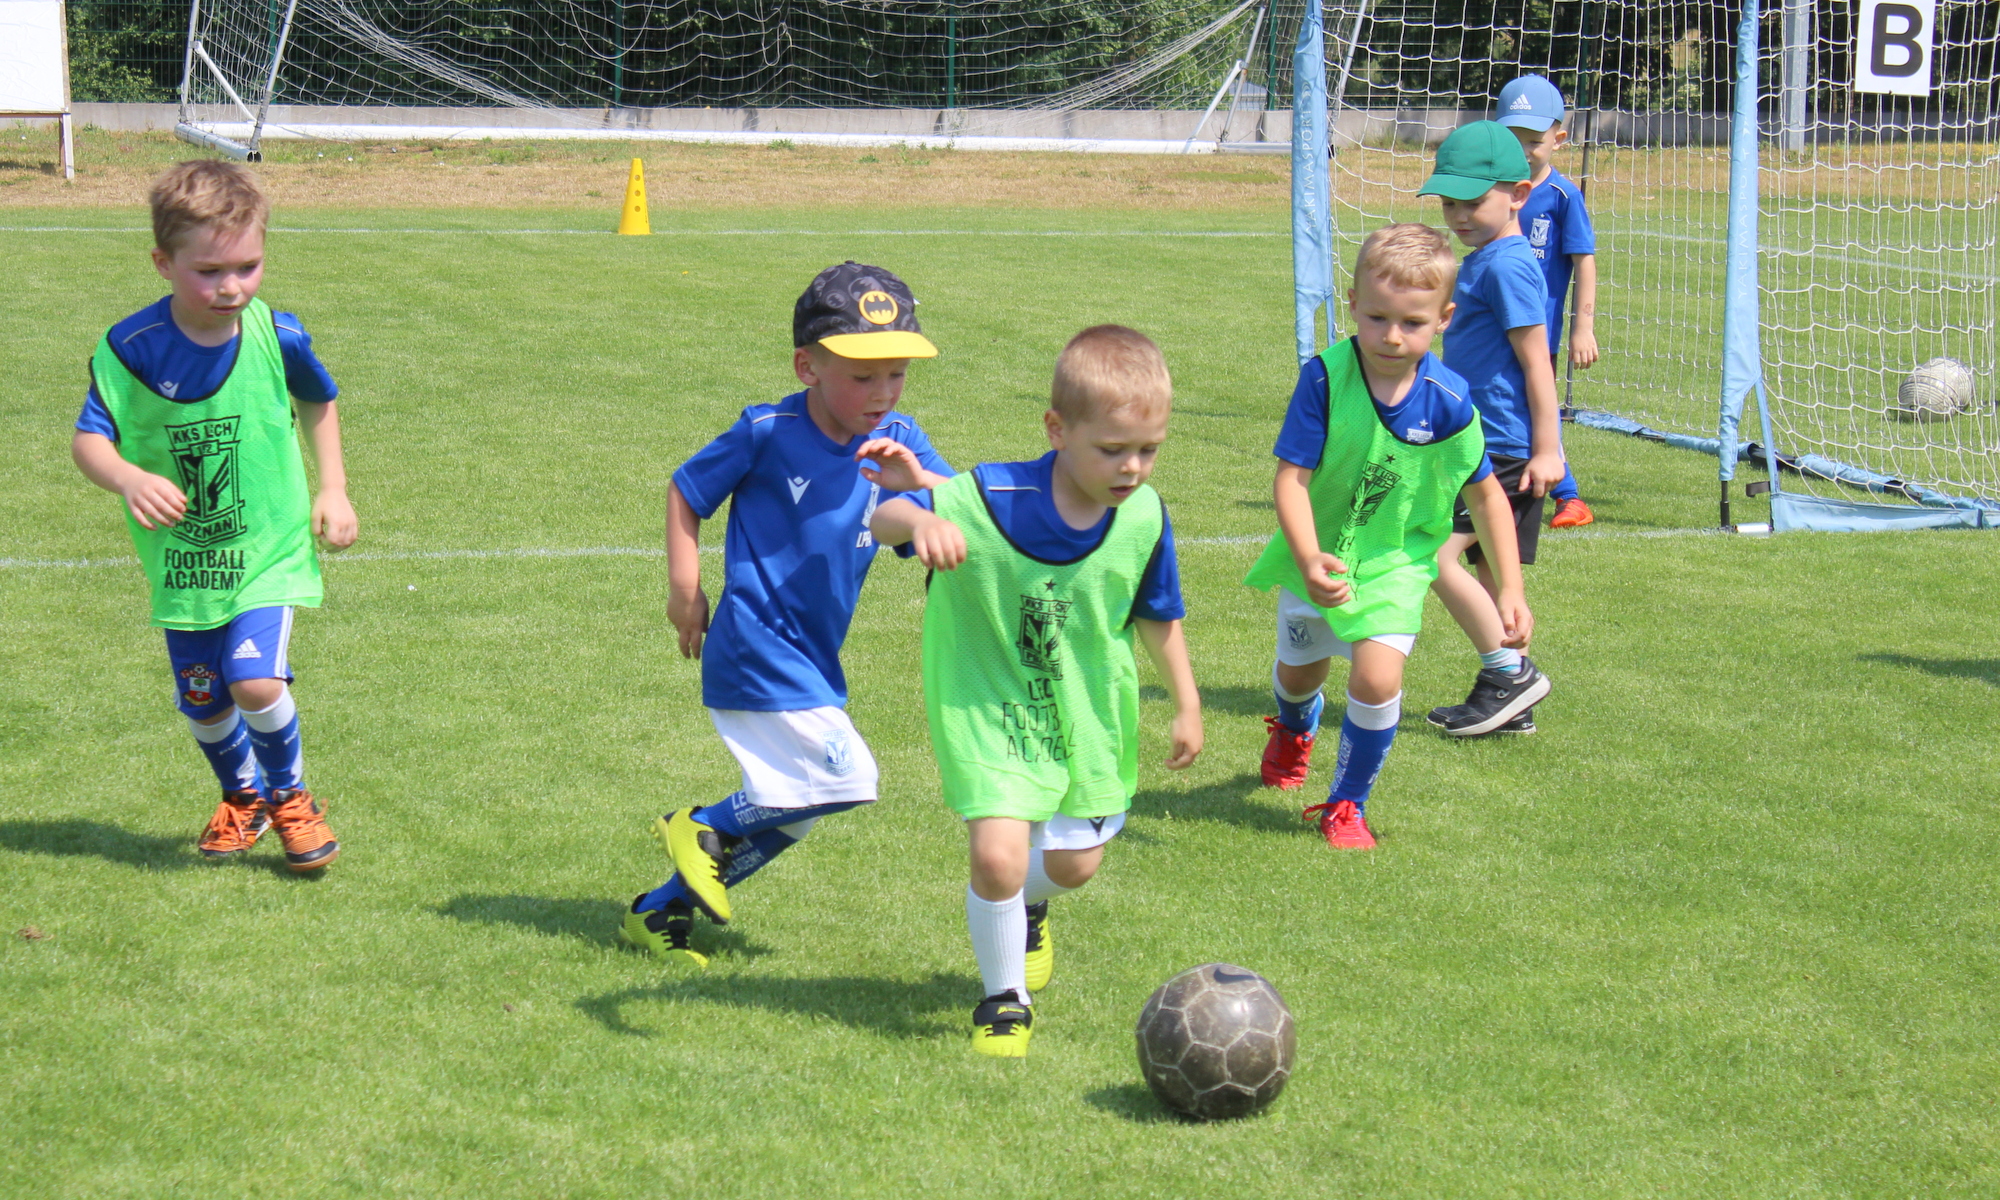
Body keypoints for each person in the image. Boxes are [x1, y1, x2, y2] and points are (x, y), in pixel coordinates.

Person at [870, 325, 1201, 1057]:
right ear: (1057, 430)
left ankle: (1027, 909)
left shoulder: (1144, 516)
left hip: (1086, 714)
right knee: (997, 857)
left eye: (1149, 450)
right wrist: (918, 516)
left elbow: (1156, 613)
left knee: (1075, 865)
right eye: (1112, 450)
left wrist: (1186, 702)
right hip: (988, 706)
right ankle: (1003, 1000)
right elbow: (882, 517)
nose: (1132, 468)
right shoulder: (993, 497)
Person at [620, 262, 952, 967]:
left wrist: (922, 492)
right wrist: (684, 590)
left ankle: (659, 911)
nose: (882, 392)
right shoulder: (768, 431)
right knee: (847, 780)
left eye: (896, 374)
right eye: (862, 375)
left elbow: (961, 512)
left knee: (797, 811)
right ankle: (703, 825)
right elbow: (686, 491)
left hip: (814, 656)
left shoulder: (902, 438)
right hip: (756, 641)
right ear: (808, 367)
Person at [70, 160, 353, 872]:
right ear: (163, 263)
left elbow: (318, 399)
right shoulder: (130, 348)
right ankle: (242, 796)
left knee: (254, 681)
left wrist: (333, 489)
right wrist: (129, 477)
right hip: (186, 562)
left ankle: (290, 798)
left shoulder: (276, 334)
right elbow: (89, 441)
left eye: (248, 267)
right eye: (209, 272)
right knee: (203, 700)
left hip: (267, 547)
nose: (232, 287)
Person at [1247, 225, 1532, 847]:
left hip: (1395, 562)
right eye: (1377, 318)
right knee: (1299, 675)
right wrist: (1308, 556)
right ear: (1352, 304)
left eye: (1412, 322)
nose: (1392, 336)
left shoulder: (1449, 400)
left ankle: (1347, 805)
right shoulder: (1325, 379)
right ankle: (1294, 728)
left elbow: (1487, 495)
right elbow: (1291, 480)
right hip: (1317, 556)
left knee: (1377, 680)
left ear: (1444, 319)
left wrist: (1509, 588)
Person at [1419, 121, 1559, 737]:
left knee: (1433, 555)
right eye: (1449, 203)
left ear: (1518, 195)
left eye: (1472, 202)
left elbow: (1537, 362)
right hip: (1474, 441)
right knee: (1492, 579)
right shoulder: (1486, 261)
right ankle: (1511, 699)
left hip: (1499, 446)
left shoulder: (1506, 268)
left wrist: (1548, 449)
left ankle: (1510, 675)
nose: (1459, 216)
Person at [1498, 73, 1600, 529]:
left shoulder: (1563, 196)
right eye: (1513, 138)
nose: (1523, 150)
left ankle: (1569, 496)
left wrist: (1583, 326)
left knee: (1533, 406)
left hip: (1537, 331)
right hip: (1494, 323)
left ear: (1558, 139)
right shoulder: (1496, 189)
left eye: (1533, 141)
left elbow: (1584, 262)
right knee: (1499, 405)